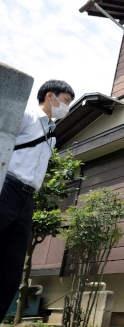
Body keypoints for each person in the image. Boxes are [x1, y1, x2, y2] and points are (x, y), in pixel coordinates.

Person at [0, 80, 74, 320]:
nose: (68, 107)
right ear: (50, 96)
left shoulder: (51, 136)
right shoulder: (26, 117)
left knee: (11, 268)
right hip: (7, 188)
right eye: (65, 101)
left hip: (27, 199)